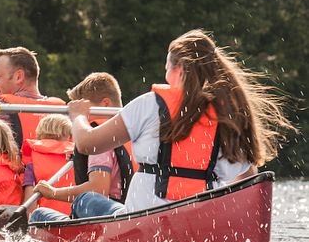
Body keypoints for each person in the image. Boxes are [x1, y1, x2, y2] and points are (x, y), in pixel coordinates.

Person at [66, 29, 294, 218]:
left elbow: (87, 144)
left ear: (179, 69)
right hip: (203, 222)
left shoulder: (148, 105)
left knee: (83, 201)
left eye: (166, 67)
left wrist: (78, 116)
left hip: (142, 220)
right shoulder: (228, 117)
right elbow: (248, 176)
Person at [29, 73, 135, 222]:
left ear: (105, 105)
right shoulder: (133, 133)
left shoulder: (99, 139)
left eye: (84, 113)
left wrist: (53, 193)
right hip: (132, 211)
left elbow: (98, 190)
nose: (80, 122)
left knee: (38, 215)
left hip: (111, 220)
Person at [19, 114, 75, 216]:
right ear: (70, 135)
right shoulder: (78, 158)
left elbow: (30, 201)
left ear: (39, 134)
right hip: (77, 218)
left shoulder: (33, 164)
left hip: (47, 219)